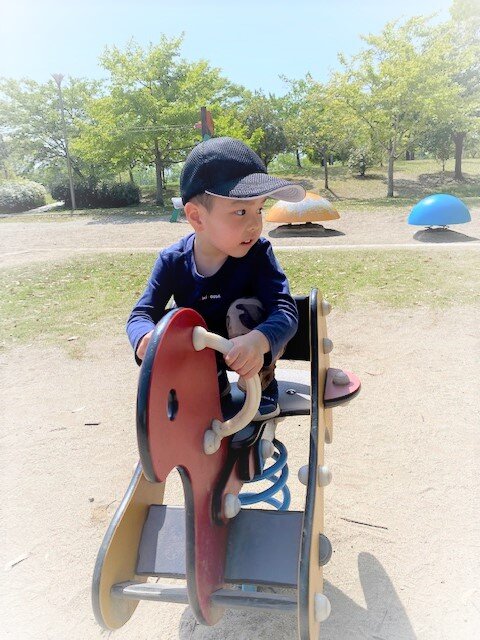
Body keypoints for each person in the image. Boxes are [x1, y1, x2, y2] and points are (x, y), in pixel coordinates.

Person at [126, 136, 305, 419]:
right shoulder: (172, 261)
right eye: (240, 211)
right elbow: (141, 314)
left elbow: (285, 311)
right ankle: (211, 385)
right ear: (197, 217)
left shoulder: (258, 255)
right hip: (204, 362)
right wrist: (145, 338)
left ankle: (261, 384)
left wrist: (258, 341)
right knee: (172, 320)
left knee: (243, 310)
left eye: (259, 209)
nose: (255, 224)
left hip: (250, 356)